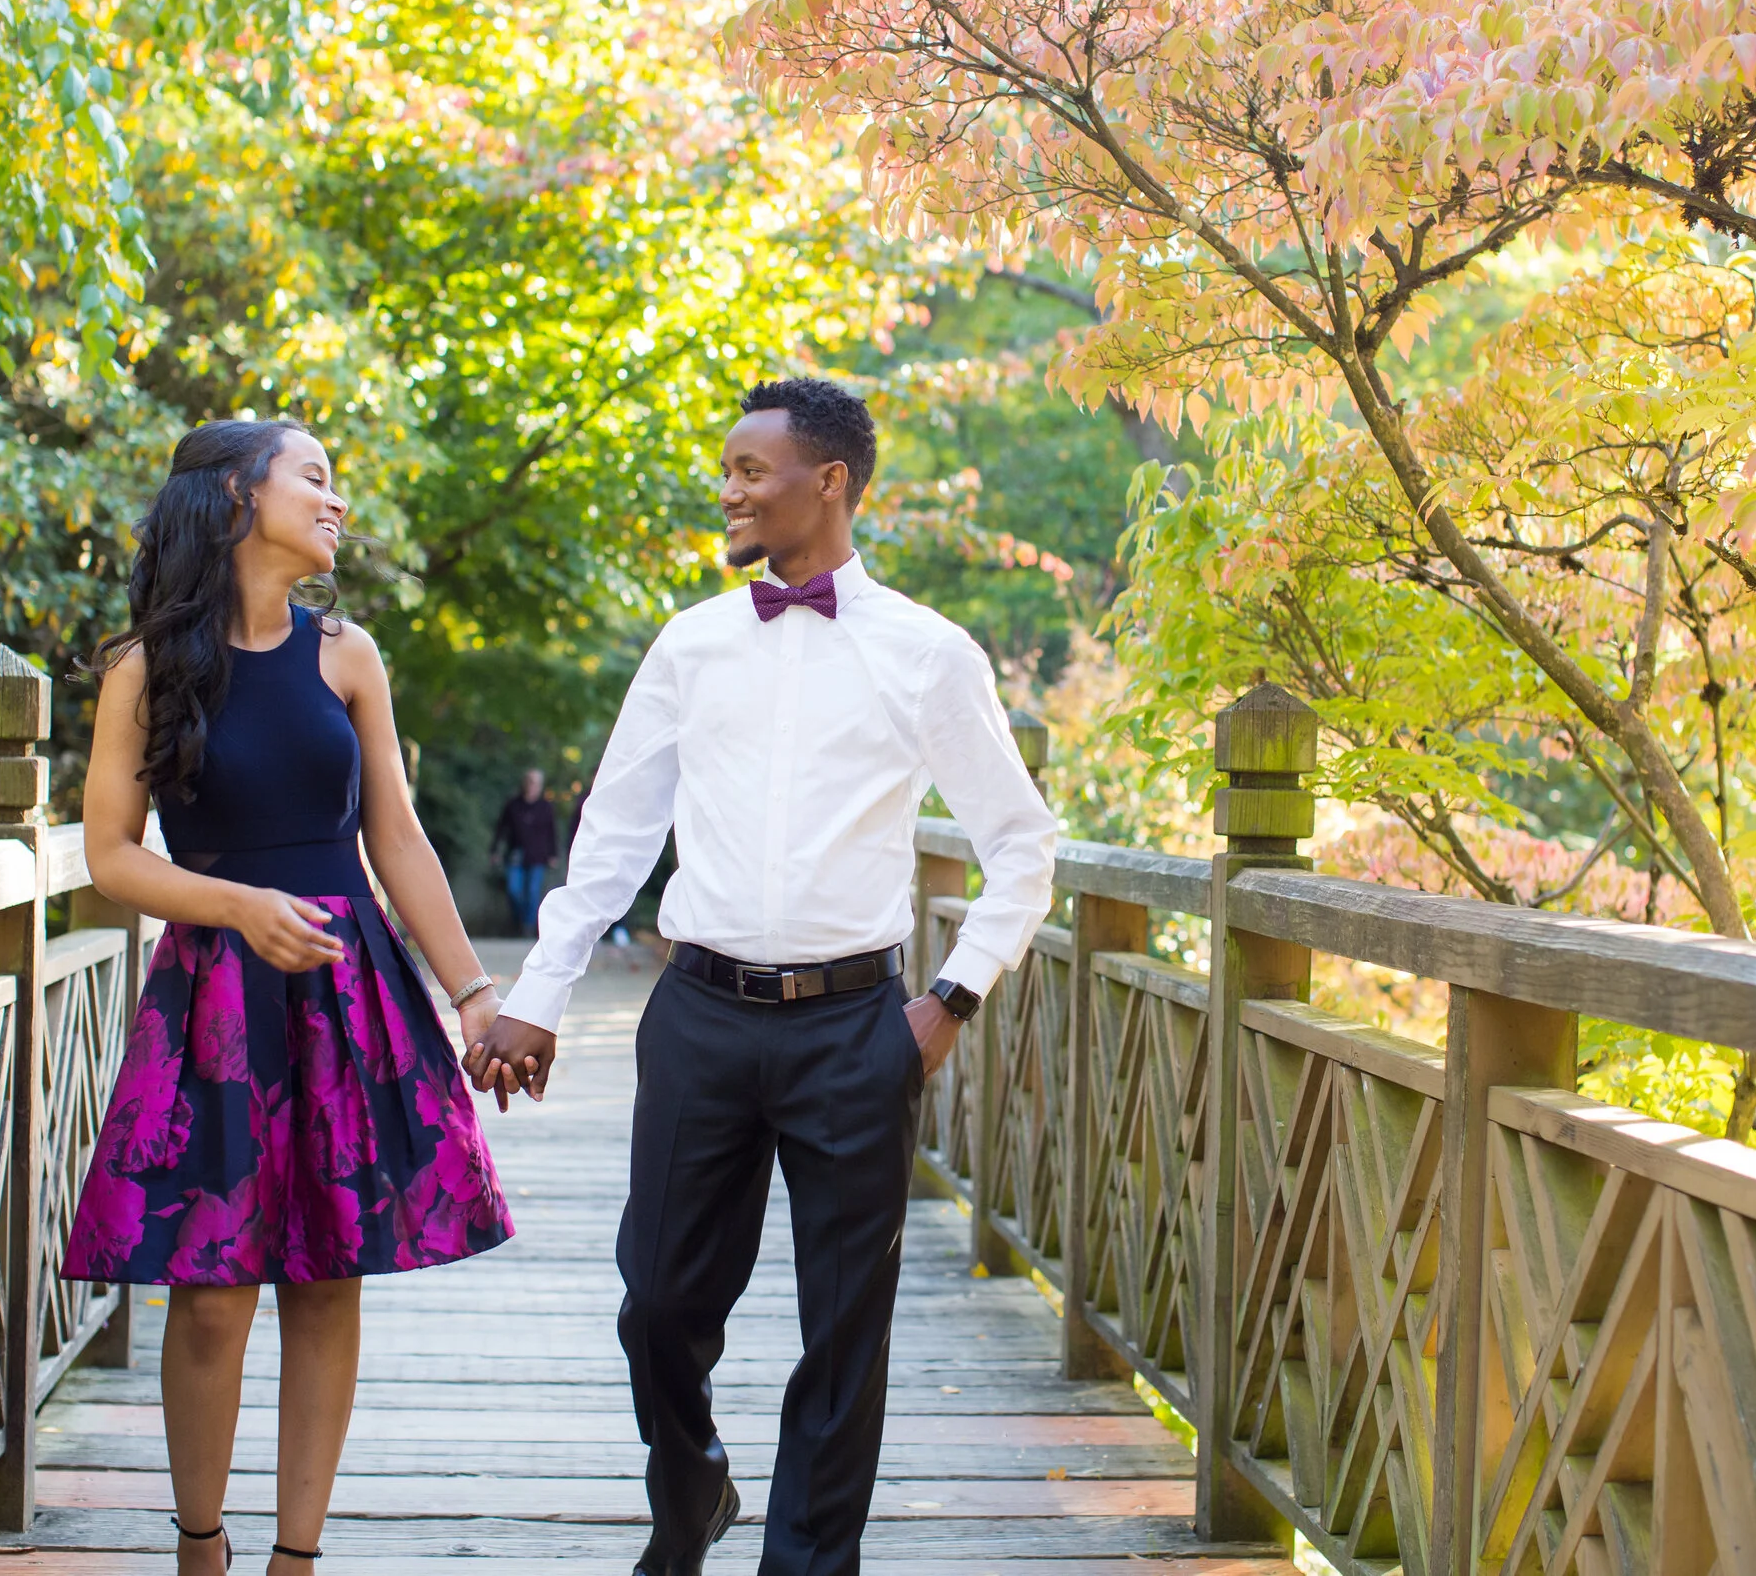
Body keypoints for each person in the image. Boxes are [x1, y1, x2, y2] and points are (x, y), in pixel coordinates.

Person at [469, 378, 1056, 1576]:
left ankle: (807, 1564)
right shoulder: (689, 643)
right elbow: (618, 835)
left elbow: (1023, 846)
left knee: (845, 1328)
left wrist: (949, 1001)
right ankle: (692, 1488)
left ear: (828, 481)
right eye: (728, 468)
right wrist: (539, 990)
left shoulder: (928, 654)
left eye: (751, 468)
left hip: (856, 1026)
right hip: (697, 1017)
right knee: (657, 1306)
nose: (728, 488)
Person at [61, 417, 522, 1576]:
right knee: (210, 1292)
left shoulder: (349, 655)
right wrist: (232, 905)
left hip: (346, 985)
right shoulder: (144, 669)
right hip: (215, 991)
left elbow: (399, 838)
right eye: (312, 477)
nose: (335, 502)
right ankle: (200, 1546)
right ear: (233, 495)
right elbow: (111, 854)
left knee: (327, 1273)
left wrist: (471, 992)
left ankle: (297, 1557)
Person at [494, 768, 559, 934]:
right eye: (530, 781)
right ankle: (518, 919)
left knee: (532, 892)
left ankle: (527, 926)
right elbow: (501, 828)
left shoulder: (546, 807)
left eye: (536, 783)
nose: (532, 786)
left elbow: (552, 832)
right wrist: (495, 850)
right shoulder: (513, 805)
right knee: (513, 890)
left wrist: (553, 854)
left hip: (537, 857)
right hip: (516, 854)